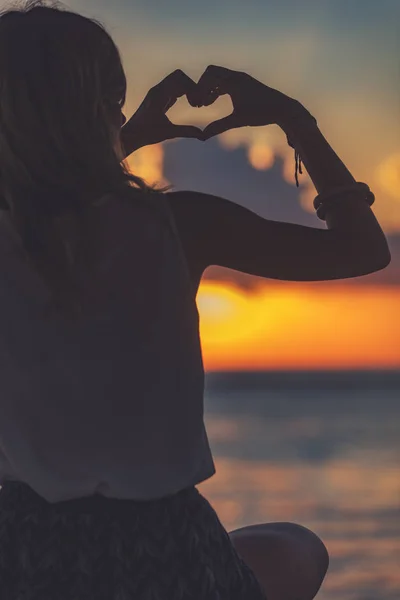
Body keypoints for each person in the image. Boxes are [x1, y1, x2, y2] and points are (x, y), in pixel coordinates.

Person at [0, 1, 391, 600]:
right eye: (116, 101)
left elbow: (56, 207)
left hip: (22, 554)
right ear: (100, 110)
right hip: (165, 552)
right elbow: (363, 251)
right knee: (297, 545)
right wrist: (294, 119)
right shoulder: (177, 224)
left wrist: (126, 139)